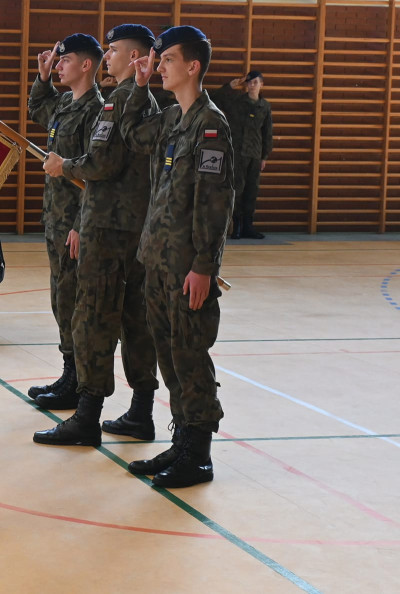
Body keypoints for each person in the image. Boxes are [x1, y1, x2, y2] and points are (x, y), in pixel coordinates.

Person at [32, 25, 160, 447]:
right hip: (123, 226)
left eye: (115, 51)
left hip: (108, 229)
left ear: (138, 56)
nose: (109, 57)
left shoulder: (119, 102)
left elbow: (101, 164)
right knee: (131, 321)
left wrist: (63, 167)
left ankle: (87, 417)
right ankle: (140, 411)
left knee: (94, 320)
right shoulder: (135, 100)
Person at [120, 26, 235, 487]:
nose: (160, 64)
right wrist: (139, 84)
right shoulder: (172, 119)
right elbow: (130, 135)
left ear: (193, 67)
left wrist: (205, 265)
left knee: (190, 356)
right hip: (158, 260)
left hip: (189, 266)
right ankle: (182, 443)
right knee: (168, 355)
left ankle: (199, 456)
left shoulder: (212, 126)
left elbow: (215, 203)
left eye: (166, 59)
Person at [26, 34, 104, 409]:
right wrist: (42, 77)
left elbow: (97, 172)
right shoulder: (64, 104)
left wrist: (80, 224)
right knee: (61, 298)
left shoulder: (96, 110)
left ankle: (78, 382)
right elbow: (35, 107)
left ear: (86, 65)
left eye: (64, 59)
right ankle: (68, 372)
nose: (58, 65)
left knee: (74, 301)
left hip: (75, 222)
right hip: (54, 218)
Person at [211, 71, 274, 239]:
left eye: (255, 82)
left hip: (254, 154)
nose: (251, 85)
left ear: (262, 84)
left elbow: (267, 132)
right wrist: (230, 87)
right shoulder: (236, 101)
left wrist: (264, 157)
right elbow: (212, 99)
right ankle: (236, 226)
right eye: (249, 83)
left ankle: (248, 226)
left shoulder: (265, 106)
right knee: (237, 190)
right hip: (237, 154)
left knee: (251, 191)